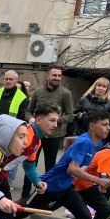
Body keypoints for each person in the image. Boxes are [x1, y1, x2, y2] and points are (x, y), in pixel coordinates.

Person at [17, 110, 110, 219]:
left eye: (109, 124)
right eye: (104, 124)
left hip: (66, 188)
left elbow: (71, 143)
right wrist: (98, 181)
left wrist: (68, 148)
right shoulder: (85, 142)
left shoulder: (97, 143)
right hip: (50, 185)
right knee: (21, 213)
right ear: (92, 126)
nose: (108, 128)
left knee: (84, 216)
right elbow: (72, 169)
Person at [21, 64, 74, 201]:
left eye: (59, 76)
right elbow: (28, 111)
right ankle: (24, 196)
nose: (57, 78)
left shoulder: (65, 93)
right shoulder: (38, 92)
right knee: (30, 164)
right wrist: (31, 119)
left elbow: (70, 115)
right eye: (54, 75)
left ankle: (45, 197)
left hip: (54, 136)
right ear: (47, 76)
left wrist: (53, 121)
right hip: (36, 134)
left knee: (50, 167)